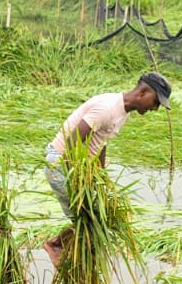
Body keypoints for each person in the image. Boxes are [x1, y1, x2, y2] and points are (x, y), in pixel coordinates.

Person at [43, 72, 171, 264]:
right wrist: (78, 182)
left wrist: (100, 180)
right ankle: (56, 245)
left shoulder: (123, 113)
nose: (155, 108)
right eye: (156, 102)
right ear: (144, 92)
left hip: (77, 167)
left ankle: (73, 260)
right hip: (60, 163)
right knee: (88, 219)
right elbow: (72, 143)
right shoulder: (107, 108)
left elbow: (100, 143)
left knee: (99, 219)